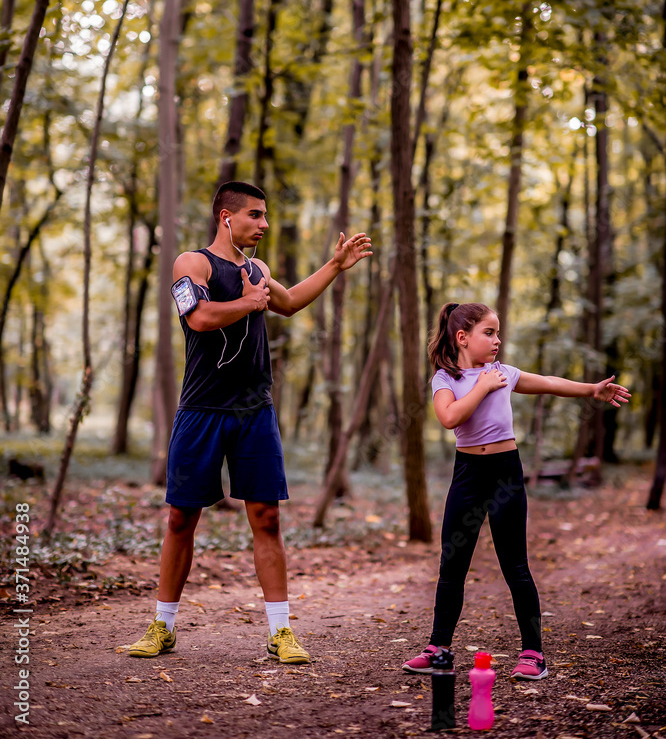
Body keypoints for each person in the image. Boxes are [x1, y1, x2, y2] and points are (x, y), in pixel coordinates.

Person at [128, 181, 372, 664]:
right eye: (255, 216)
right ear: (226, 216)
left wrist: (335, 266)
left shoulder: (256, 269)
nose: (263, 224)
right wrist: (247, 303)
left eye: (264, 217)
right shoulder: (191, 263)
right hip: (200, 412)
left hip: (254, 411)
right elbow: (196, 318)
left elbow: (290, 301)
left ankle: (280, 631)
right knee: (181, 518)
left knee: (267, 518)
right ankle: (162, 626)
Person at [402, 301, 630, 681]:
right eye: (488, 333)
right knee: (452, 564)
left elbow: (551, 384)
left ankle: (533, 653)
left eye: (497, 332)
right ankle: (439, 648)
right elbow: (449, 418)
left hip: (505, 474)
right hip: (468, 474)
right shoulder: (445, 378)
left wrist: (592, 389)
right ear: (462, 337)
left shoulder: (504, 372)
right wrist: (483, 386)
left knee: (515, 565)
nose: (497, 340)